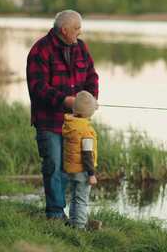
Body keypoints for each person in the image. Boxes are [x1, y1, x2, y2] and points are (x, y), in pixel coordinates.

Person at [26, 10, 99, 220]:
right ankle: (56, 215)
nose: (80, 32)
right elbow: (38, 87)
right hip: (49, 122)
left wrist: (90, 99)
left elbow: (92, 76)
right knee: (53, 167)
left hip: (76, 124)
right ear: (64, 30)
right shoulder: (40, 50)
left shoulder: (81, 48)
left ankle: (70, 215)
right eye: (77, 28)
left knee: (70, 168)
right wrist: (64, 101)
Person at [62, 91, 99, 229]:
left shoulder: (71, 124)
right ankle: (80, 226)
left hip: (71, 169)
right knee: (82, 200)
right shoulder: (86, 131)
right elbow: (87, 155)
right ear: (89, 114)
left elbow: (83, 110)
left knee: (74, 197)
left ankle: (73, 222)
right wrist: (91, 174)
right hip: (83, 170)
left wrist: (91, 106)